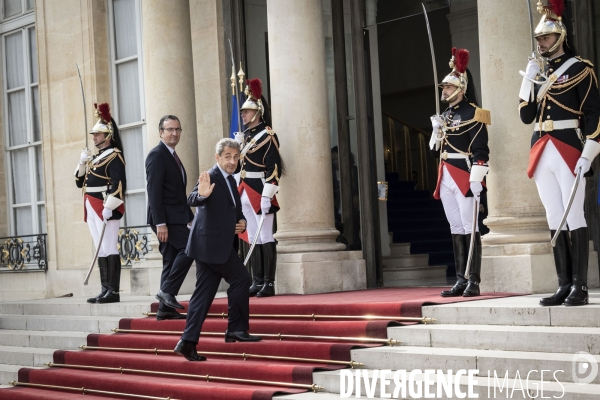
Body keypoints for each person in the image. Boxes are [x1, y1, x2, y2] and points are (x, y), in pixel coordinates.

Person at [518, 0, 600, 306]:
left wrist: (588, 152)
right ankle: (563, 284)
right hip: (541, 148)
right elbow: (526, 116)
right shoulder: (538, 71)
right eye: (539, 38)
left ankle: (581, 285)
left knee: (574, 215)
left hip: (569, 147)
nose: (542, 42)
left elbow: (593, 113)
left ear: (560, 36)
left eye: (546, 37)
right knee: (555, 217)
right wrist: (528, 78)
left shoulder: (580, 68)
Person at [174, 138, 261, 362]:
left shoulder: (231, 181)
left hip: (211, 246)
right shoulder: (211, 176)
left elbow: (235, 210)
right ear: (218, 158)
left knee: (203, 295)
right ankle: (236, 329)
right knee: (242, 279)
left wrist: (241, 222)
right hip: (211, 245)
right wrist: (202, 194)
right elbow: (192, 199)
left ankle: (187, 342)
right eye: (228, 157)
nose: (232, 161)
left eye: (235, 157)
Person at [429, 48, 490, 298]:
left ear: (461, 89)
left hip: (465, 174)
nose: (444, 91)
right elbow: (436, 152)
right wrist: (435, 132)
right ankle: (460, 278)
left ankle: (473, 280)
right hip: (445, 174)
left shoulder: (474, 113)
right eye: (443, 88)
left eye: (448, 87)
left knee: (470, 227)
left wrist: (478, 180)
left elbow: (481, 150)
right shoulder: (445, 115)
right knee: (455, 227)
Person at [234, 78, 282, 297]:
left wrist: (267, 195)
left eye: (247, 111)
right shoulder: (247, 137)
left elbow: (274, 169)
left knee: (266, 235)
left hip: (260, 190)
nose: (243, 115)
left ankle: (269, 283)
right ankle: (257, 280)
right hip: (245, 189)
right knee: (252, 236)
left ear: (258, 112)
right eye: (243, 112)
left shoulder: (268, 136)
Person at [75, 103, 126, 304]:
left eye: (98, 134)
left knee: (109, 246)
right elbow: (80, 181)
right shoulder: (95, 158)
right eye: (94, 134)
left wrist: (109, 206)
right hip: (91, 203)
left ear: (108, 136)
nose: (94, 137)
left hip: (106, 205)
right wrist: (81, 162)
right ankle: (105, 289)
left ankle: (113, 291)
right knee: (100, 248)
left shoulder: (114, 156)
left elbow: (118, 183)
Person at [146, 115, 195, 320]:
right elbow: (154, 192)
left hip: (176, 216)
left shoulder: (172, 155)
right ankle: (166, 291)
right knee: (191, 248)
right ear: (160, 132)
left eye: (177, 129)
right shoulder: (157, 155)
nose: (174, 133)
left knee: (170, 260)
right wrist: (160, 223)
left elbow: (176, 193)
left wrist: (189, 216)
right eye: (169, 129)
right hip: (166, 219)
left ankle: (164, 309)